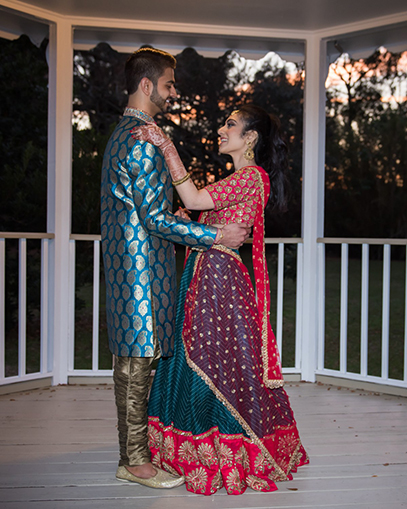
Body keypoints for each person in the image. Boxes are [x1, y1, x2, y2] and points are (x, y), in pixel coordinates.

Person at [134, 104, 309, 495]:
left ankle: (220, 452)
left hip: (218, 278)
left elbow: (195, 200)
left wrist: (166, 146)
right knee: (201, 358)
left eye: (230, 124)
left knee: (213, 362)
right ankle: (197, 449)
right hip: (205, 272)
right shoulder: (239, 179)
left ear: (250, 138)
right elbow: (199, 211)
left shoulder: (253, 177)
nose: (221, 128)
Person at [100, 47, 250, 489]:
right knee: (135, 363)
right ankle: (134, 461)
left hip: (130, 265)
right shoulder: (143, 139)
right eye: (168, 84)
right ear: (147, 85)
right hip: (141, 271)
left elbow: (145, 209)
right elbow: (153, 219)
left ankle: (137, 452)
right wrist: (216, 236)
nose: (172, 91)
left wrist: (176, 217)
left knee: (135, 359)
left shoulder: (123, 133)